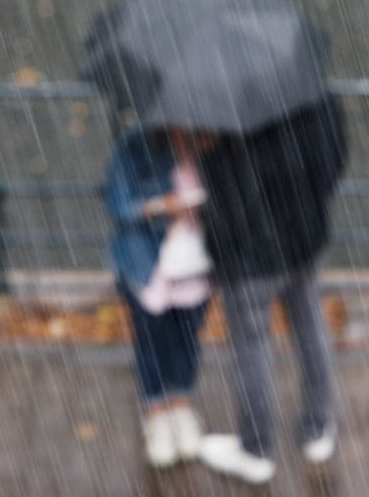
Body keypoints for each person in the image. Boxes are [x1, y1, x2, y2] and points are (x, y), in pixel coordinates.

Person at [198, 95, 348, 483]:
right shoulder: (311, 88)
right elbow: (335, 156)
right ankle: (319, 427)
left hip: (251, 257)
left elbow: (226, 196)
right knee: (309, 322)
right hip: (305, 236)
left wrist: (220, 246)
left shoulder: (222, 105)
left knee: (252, 345)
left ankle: (256, 450)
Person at [103, 126, 216, 467]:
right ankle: (156, 412)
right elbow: (119, 204)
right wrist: (162, 207)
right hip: (148, 262)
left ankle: (181, 406)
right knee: (151, 341)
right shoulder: (135, 146)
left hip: (198, 262)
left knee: (187, 337)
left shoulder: (214, 146)